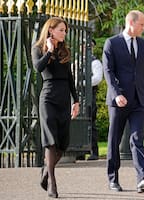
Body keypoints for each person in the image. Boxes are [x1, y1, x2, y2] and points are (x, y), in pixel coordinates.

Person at [102, 10, 144, 193]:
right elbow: (108, 72)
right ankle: (113, 179)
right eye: (142, 24)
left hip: (139, 101)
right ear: (131, 23)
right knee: (114, 140)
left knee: (137, 139)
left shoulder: (143, 45)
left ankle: (143, 178)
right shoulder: (112, 43)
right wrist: (117, 94)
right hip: (119, 101)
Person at [31, 17, 79, 198]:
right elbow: (38, 68)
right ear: (51, 30)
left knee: (63, 143)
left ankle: (45, 170)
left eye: (65, 31)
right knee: (50, 140)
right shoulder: (38, 48)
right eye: (61, 30)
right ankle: (52, 181)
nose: (64, 33)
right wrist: (49, 51)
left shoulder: (65, 50)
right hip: (48, 98)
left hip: (63, 99)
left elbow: (70, 78)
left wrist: (76, 101)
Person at [87, 39, 103, 160]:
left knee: (90, 123)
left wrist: (82, 83)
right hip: (78, 95)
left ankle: (94, 151)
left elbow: (97, 79)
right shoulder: (77, 61)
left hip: (90, 95)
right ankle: (80, 151)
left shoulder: (95, 62)